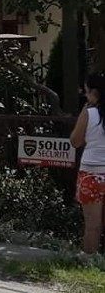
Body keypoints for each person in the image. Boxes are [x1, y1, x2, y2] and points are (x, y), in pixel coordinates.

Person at [70, 73, 105, 255]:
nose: (85, 95)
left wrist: (85, 111)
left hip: (91, 174)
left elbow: (75, 141)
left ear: (95, 93)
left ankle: (90, 261)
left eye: (86, 91)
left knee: (93, 226)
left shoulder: (89, 113)